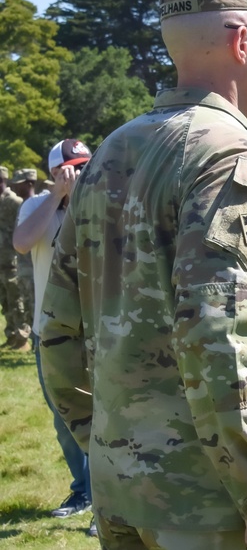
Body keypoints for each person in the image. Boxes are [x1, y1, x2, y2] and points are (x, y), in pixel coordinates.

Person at [38, 0, 247, 550]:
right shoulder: (229, 156)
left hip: (124, 486)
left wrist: (105, 444)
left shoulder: (114, 148)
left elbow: (56, 324)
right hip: (215, 507)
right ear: (243, 40)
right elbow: (222, 337)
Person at [13, 144, 96, 532]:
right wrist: (56, 197)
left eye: (85, 167)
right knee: (64, 416)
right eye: (72, 170)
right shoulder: (35, 207)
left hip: (96, 326)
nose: (80, 175)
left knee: (104, 414)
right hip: (50, 329)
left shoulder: (97, 200)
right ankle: (82, 490)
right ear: (56, 173)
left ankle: (106, 499)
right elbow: (22, 242)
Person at [0, 164, 28, 350]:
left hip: (12, 260)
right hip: (1, 261)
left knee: (16, 299)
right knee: (5, 301)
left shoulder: (14, 202)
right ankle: (11, 334)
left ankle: (23, 335)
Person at [8, 169, 36, 352]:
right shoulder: (23, 205)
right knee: (27, 305)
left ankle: (38, 345)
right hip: (23, 264)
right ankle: (32, 343)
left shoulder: (38, 205)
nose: (14, 186)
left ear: (29, 183)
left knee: (35, 305)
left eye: (19, 182)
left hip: (35, 266)